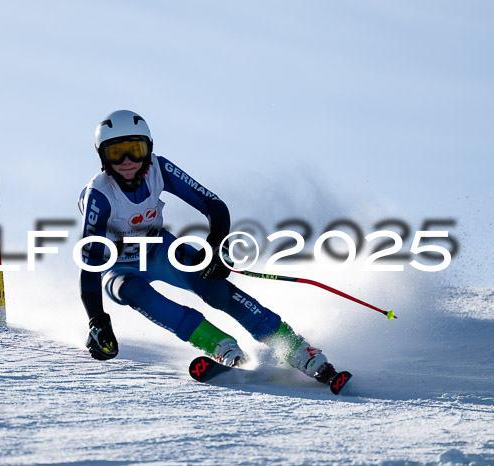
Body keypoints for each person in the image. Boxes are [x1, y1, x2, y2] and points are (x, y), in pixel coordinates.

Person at [78, 109, 338, 383]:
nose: (127, 161)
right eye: (116, 153)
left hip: (158, 249)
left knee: (214, 288)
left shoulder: (159, 169)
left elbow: (214, 206)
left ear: (149, 148)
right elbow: (90, 262)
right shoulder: (99, 195)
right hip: (117, 268)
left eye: (135, 149)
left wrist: (216, 248)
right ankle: (219, 345)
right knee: (134, 291)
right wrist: (97, 320)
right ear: (102, 157)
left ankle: (297, 349)